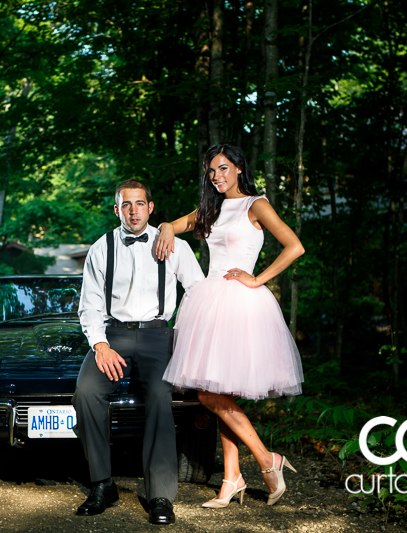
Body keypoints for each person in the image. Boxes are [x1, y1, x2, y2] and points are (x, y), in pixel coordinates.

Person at [155, 142, 305, 508]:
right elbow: (173, 225)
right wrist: (164, 227)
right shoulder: (210, 208)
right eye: (211, 170)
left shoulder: (257, 204)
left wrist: (258, 279)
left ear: (239, 167)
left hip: (241, 303)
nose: (216, 176)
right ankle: (232, 478)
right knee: (217, 392)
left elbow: (294, 246)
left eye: (223, 168)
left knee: (211, 394)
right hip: (209, 302)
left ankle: (267, 460)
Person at [73, 179, 204, 525]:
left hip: (158, 336)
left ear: (151, 207)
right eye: (126, 205)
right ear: (117, 210)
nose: (133, 211)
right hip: (113, 335)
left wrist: (184, 336)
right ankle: (103, 484)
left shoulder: (175, 246)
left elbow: (198, 292)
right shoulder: (101, 248)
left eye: (139, 204)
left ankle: (160, 495)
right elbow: (89, 305)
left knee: (161, 396)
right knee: (85, 392)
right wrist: (100, 345)